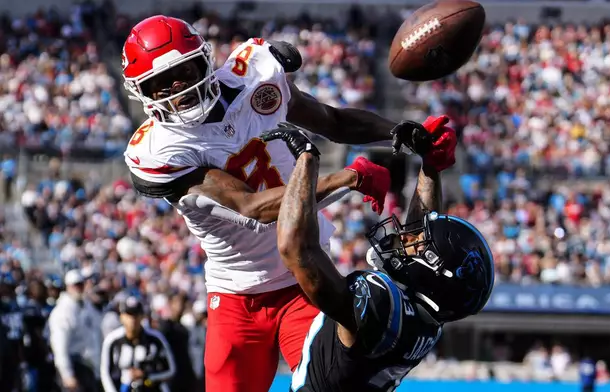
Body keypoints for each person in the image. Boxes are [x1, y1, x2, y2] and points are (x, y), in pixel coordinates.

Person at [121, 14, 435, 392]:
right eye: (159, 83)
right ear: (142, 92)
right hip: (235, 293)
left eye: (184, 71)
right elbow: (253, 207)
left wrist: (397, 131)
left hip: (306, 279)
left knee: (332, 387)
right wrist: (350, 177)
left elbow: (334, 122)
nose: (177, 87)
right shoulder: (159, 150)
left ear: (203, 59)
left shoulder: (255, 77)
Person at [267, 118, 494, 391]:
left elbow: (294, 248)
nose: (407, 237)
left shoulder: (379, 305)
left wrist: (306, 160)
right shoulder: (428, 316)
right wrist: (431, 166)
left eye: (419, 244)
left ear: (433, 270)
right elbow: (420, 228)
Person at [101, 296, 176, 392]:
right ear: (121, 317)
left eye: (136, 315)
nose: (133, 319)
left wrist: (146, 376)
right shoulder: (112, 341)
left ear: (142, 317)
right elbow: (105, 373)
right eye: (129, 315)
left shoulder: (155, 339)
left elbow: (171, 369)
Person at [48, 269, 96, 392]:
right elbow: (59, 347)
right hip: (74, 365)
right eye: (75, 285)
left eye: (81, 284)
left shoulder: (86, 305)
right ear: (68, 287)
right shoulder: (62, 312)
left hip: (88, 366)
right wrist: (67, 374)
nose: (79, 288)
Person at [158, 293, 195, 392]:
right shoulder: (164, 327)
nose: (180, 306)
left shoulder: (183, 329)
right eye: (177, 302)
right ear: (170, 304)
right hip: (170, 377)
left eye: (182, 303)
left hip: (184, 376)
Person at [0, 273, 25, 392]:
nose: (6, 291)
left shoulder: (15, 306)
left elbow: (20, 332)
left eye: (9, 287)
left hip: (14, 348)